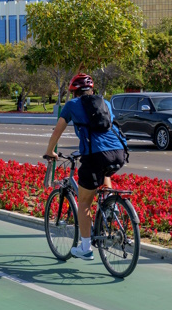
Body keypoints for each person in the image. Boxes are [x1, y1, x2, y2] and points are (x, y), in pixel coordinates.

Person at [43, 73, 128, 260]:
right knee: (104, 172)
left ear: (74, 91)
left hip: (95, 155)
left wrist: (50, 152)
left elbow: (58, 130)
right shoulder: (104, 103)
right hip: (119, 152)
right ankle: (111, 207)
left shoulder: (72, 105)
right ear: (92, 89)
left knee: (84, 203)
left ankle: (86, 248)